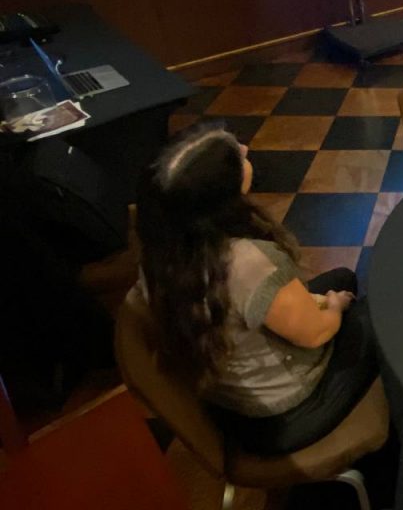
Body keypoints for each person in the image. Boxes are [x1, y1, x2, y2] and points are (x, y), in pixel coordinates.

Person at [133, 125, 377, 455]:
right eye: (236, 155)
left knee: (343, 277)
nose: (245, 150)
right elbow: (316, 334)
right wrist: (334, 307)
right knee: (379, 310)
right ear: (219, 199)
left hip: (227, 399)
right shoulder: (248, 263)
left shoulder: (158, 255)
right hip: (285, 412)